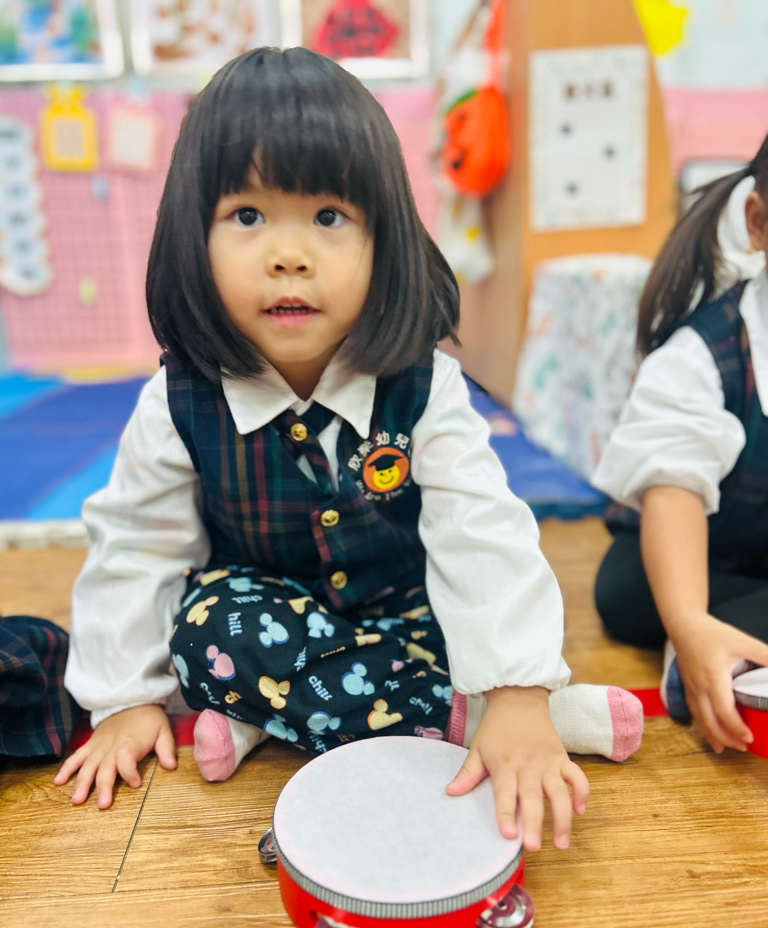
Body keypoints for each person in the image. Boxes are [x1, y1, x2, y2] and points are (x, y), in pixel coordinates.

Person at [55, 47, 642, 850]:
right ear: (193, 237)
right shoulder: (180, 398)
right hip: (266, 611)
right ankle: (458, 720)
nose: (288, 255)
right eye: (247, 216)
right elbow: (137, 546)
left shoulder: (423, 384)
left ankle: (278, 716)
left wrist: (515, 691)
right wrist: (123, 699)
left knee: (474, 614)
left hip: (403, 608)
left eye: (328, 218)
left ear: (383, 239)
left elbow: (480, 530)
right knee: (210, 632)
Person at [593, 134, 768, 754]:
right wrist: (688, 621)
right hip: (690, 561)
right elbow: (673, 487)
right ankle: (699, 648)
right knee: (628, 591)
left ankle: (725, 643)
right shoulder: (704, 354)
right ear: (758, 224)